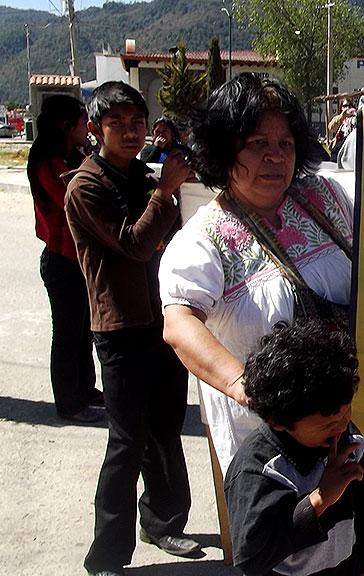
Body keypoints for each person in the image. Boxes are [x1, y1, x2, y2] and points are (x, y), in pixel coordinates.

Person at [160, 72, 355, 471]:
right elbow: (179, 324)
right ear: (223, 151)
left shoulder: (328, 197)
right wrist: (247, 388)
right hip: (271, 446)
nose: (276, 156)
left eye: (285, 143)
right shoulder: (204, 238)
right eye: (257, 143)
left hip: (351, 423)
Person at [64, 81, 197, 576]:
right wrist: (164, 192)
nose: (128, 131)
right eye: (116, 123)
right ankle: (107, 555)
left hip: (161, 319)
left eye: (136, 123)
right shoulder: (86, 186)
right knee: (127, 440)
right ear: (95, 129)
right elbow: (136, 243)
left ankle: (163, 522)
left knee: (165, 428)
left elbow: (172, 238)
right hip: (120, 327)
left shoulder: (144, 174)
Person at [225, 321, 364, 576]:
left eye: (346, 415)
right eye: (327, 425)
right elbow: (253, 556)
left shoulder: (347, 437)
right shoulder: (258, 469)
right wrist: (319, 500)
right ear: (278, 422)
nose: (340, 428)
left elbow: (360, 508)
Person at [28, 94, 103, 423]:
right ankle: (69, 403)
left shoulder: (70, 157)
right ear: (65, 126)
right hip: (62, 261)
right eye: (80, 122)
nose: (85, 128)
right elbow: (75, 202)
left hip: (77, 259)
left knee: (84, 330)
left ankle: (86, 389)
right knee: (68, 334)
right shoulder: (49, 163)